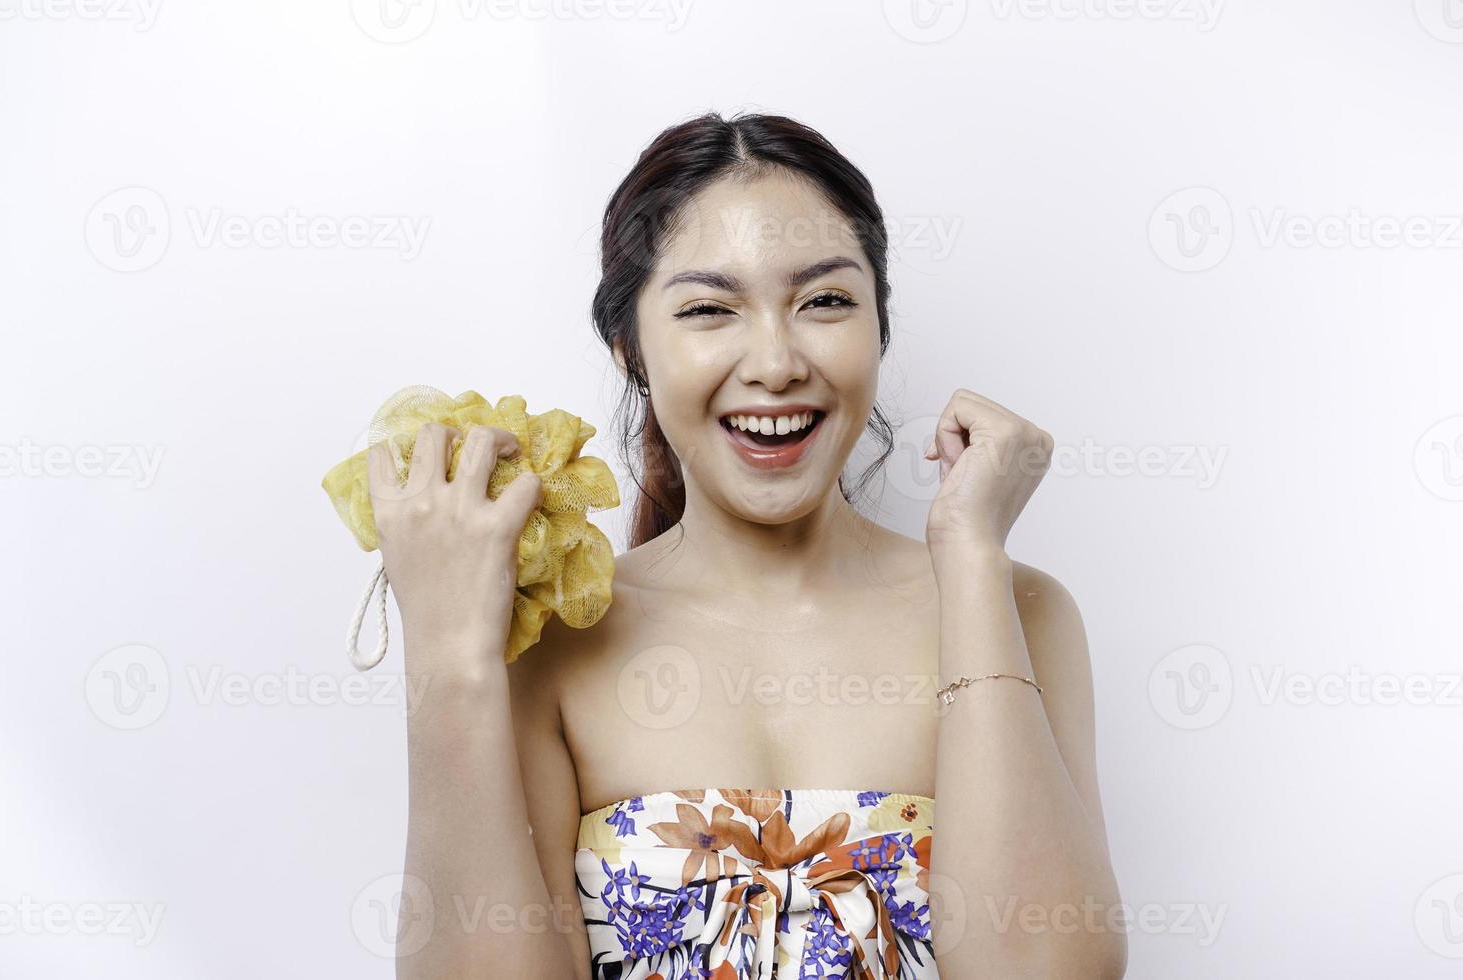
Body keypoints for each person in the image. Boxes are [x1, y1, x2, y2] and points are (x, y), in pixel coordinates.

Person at [370, 110, 1126, 979]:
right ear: (631, 351)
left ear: (878, 327)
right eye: (707, 309)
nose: (774, 361)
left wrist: (970, 561)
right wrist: (447, 655)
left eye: (825, 301)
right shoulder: (547, 638)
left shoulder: (1016, 605)